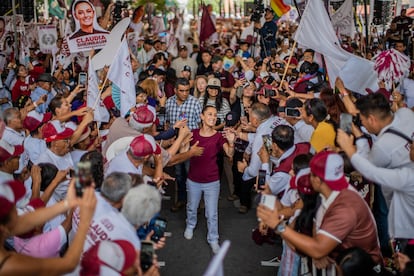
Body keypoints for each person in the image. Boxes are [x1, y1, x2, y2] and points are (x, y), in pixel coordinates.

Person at [257, 151, 383, 267]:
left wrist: (279, 227)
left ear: (317, 180)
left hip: (358, 269)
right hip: (337, 262)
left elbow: (317, 249)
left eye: (311, 174)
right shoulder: (329, 191)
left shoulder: (345, 208)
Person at [0, 179, 97, 275]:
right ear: (3, 228)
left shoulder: (10, 228)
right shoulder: (8, 265)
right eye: (15, 210)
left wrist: (69, 202)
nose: (18, 211)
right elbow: (69, 264)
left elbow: (29, 218)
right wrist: (84, 222)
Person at [183, 105, 236, 254]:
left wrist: (231, 142)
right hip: (193, 179)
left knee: (212, 213)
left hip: (212, 181)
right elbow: (183, 152)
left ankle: (213, 239)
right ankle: (190, 225)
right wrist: (183, 139)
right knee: (192, 207)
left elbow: (230, 154)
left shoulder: (219, 136)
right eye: (210, 114)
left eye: (215, 115)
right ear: (202, 116)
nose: (213, 117)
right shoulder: (193, 134)